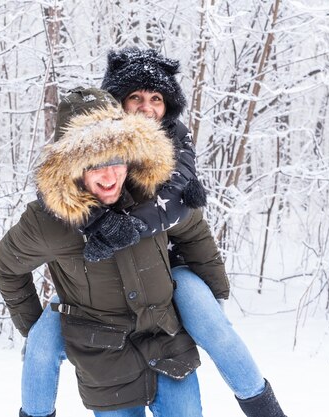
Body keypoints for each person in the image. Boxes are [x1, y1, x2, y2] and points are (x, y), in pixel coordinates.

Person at [15, 48, 288, 417]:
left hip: (169, 270)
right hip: (101, 293)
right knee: (42, 342)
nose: (146, 108)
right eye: (135, 98)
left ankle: (263, 407)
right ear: (114, 105)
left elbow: (185, 211)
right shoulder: (96, 148)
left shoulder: (173, 142)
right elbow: (60, 199)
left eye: (156, 99)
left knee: (212, 322)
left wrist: (130, 228)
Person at [0, 87, 230, 416]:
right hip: (104, 363)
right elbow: (8, 268)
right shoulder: (48, 223)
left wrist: (216, 294)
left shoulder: (152, 193)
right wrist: (35, 329)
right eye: (94, 164)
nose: (109, 175)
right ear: (71, 166)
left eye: (117, 160)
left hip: (167, 344)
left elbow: (192, 228)